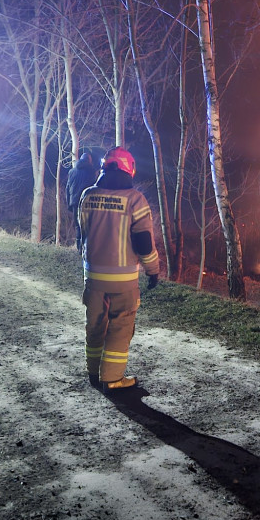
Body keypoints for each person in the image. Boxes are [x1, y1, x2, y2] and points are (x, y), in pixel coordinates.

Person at [78, 147, 160, 391]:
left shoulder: (88, 195)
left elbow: (81, 233)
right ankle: (112, 378)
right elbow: (144, 240)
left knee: (94, 325)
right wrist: (153, 269)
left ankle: (94, 373)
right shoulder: (135, 200)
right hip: (123, 280)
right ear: (129, 169)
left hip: (93, 276)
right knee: (120, 327)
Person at [66, 152, 99, 250]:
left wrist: (69, 204)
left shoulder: (72, 171)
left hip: (75, 202)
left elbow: (67, 189)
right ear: (90, 160)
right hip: (87, 201)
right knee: (88, 225)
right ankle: (86, 247)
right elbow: (95, 187)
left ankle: (79, 247)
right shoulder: (92, 171)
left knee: (77, 225)